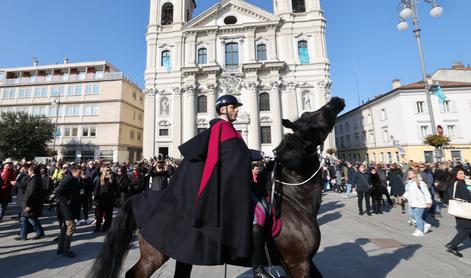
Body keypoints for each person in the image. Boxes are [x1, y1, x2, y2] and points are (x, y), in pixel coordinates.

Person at [445, 166, 471, 257]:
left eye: (463, 173)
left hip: (459, 209)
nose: (463, 175)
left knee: (466, 228)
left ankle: (452, 244)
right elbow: (468, 197)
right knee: (466, 229)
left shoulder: (453, 183)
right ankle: (452, 246)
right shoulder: (459, 184)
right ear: (455, 175)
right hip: (464, 210)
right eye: (460, 173)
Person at [56, 165, 81, 258]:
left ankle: (60, 248)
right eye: (79, 172)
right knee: (71, 226)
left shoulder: (73, 178)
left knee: (65, 227)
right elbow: (58, 192)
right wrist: (67, 201)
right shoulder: (68, 179)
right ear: (74, 171)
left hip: (69, 207)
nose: (80, 174)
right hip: (66, 208)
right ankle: (66, 250)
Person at [403, 169, 432, 237]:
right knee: (412, 215)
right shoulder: (409, 182)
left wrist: (429, 201)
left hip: (419, 202)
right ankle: (425, 224)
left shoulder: (420, 183)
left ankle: (420, 230)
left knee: (417, 216)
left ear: (415, 174)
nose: (409, 174)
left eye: (411, 173)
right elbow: (408, 191)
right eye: (408, 173)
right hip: (412, 202)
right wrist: (404, 196)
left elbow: (426, 192)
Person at [19, 165, 45, 240]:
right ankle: (23, 236)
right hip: (29, 202)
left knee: (31, 219)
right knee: (25, 219)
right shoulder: (35, 178)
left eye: (29, 170)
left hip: (30, 203)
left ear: (32, 171)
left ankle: (39, 233)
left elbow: (32, 193)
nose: (28, 172)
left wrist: (29, 205)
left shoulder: (34, 180)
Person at [93, 166, 117, 232]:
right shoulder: (100, 179)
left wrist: (115, 197)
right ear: (104, 171)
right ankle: (97, 227)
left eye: (109, 170)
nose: (108, 171)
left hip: (109, 200)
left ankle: (106, 227)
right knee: (99, 215)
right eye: (107, 170)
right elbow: (96, 189)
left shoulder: (113, 179)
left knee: (108, 215)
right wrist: (95, 197)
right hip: (101, 200)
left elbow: (117, 189)